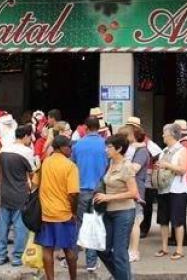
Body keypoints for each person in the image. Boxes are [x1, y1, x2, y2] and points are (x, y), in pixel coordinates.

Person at [34, 135, 79, 280]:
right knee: (69, 250)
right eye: (69, 147)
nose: (71, 149)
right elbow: (73, 194)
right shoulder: (70, 166)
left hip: (46, 213)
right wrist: (74, 212)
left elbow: (36, 183)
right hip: (64, 214)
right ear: (62, 147)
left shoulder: (45, 162)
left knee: (47, 249)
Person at [94, 134, 137, 280]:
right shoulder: (110, 163)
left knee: (119, 253)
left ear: (119, 149)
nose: (106, 149)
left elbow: (133, 193)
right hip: (108, 212)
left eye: (109, 147)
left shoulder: (127, 166)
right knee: (102, 249)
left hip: (124, 212)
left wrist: (108, 197)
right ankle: (121, 276)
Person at [71, 115, 107, 272]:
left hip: (81, 189)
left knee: (79, 224)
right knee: (94, 224)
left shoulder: (78, 145)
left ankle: (72, 257)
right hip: (100, 190)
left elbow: (72, 167)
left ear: (85, 127)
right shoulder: (106, 145)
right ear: (99, 128)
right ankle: (91, 262)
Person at [0, 124, 34, 268]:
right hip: (19, 193)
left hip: (4, 192)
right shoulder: (26, 151)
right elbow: (33, 171)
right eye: (30, 137)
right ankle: (17, 257)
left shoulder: (3, 149)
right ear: (25, 136)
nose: (30, 140)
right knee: (20, 226)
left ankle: (0, 255)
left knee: (3, 225)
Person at [155, 123, 187, 261]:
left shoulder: (182, 150)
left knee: (177, 220)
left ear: (171, 135)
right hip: (163, 189)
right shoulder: (164, 151)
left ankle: (179, 249)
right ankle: (164, 247)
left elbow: (182, 169)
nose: (163, 135)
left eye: (164, 133)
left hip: (177, 189)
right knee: (163, 220)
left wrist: (166, 165)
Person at [118, 121, 149, 263]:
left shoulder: (141, 151)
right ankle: (127, 249)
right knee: (128, 221)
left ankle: (134, 251)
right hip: (126, 189)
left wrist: (123, 161)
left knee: (135, 221)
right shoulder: (131, 150)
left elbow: (135, 169)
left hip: (136, 189)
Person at [171, 119, 187, 247]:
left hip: (182, 180)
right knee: (180, 212)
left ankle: (180, 238)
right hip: (185, 180)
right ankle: (177, 237)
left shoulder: (183, 145)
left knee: (179, 213)